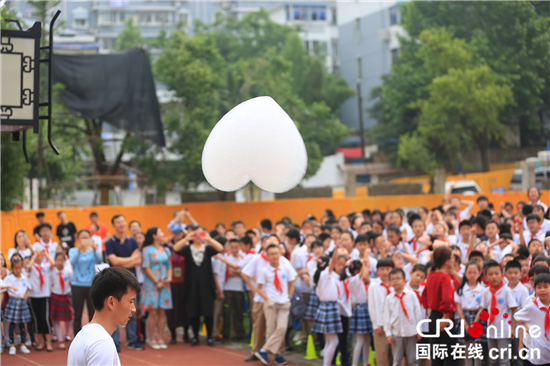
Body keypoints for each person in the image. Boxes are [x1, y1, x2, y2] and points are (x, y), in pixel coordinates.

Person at [67, 267, 140, 366]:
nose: (133, 309)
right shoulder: (102, 343)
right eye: (130, 301)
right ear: (111, 302)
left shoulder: (83, 335)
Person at [173, 227, 224, 347]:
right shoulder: (187, 249)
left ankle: (209, 337)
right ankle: (195, 337)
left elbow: (220, 248)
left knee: (208, 313)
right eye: (196, 234)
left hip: (207, 286)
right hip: (191, 287)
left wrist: (209, 238)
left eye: (200, 233)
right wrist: (186, 237)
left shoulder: (207, 249)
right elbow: (175, 248)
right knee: (193, 313)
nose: (198, 236)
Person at [104, 214, 143, 352]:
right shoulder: (109, 242)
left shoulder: (132, 241)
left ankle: (132, 340)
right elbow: (113, 262)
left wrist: (123, 261)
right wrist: (130, 259)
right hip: (116, 281)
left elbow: (138, 260)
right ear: (113, 225)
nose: (121, 224)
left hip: (131, 281)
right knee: (114, 311)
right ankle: (114, 343)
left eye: (122, 221)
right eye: (118, 222)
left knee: (131, 310)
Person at [254, 244, 297, 365]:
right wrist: (267, 299)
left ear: (280, 254)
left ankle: (264, 350)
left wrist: (289, 297)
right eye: (271, 254)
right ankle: (277, 355)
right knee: (271, 330)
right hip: (270, 303)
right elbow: (258, 288)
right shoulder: (264, 271)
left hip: (284, 302)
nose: (274, 256)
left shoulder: (286, 268)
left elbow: (292, 283)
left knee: (282, 328)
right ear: (267, 256)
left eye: (276, 253)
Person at [474, 261, 517, 366]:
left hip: (503, 331)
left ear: (502, 275)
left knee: (503, 360)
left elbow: (514, 309)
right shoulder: (486, 292)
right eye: (490, 274)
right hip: (491, 330)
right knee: (493, 360)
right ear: (485, 276)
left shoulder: (506, 290)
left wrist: (513, 328)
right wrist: (475, 323)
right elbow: (482, 309)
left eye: (496, 274)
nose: (494, 277)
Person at [421, 246, 457, 366]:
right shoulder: (444, 277)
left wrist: (431, 308)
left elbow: (424, 295)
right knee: (451, 354)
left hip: (434, 316)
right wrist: (446, 315)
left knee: (437, 354)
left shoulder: (431, 275)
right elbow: (447, 299)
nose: (454, 260)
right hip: (444, 317)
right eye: (452, 257)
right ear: (447, 262)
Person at [312, 249, 345, 366]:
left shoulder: (320, 275)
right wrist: (336, 247)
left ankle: (326, 363)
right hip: (329, 307)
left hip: (326, 307)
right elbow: (333, 262)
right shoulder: (325, 274)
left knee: (330, 341)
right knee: (334, 341)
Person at [141, 227, 172, 350]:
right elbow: (146, 267)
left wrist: (169, 278)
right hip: (151, 284)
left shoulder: (165, 249)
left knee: (162, 311)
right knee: (152, 311)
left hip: (165, 283)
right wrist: (156, 281)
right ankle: (151, 339)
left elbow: (169, 265)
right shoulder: (146, 250)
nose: (162, 234)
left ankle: (160, 337)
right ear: (154, 235)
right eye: (160, 232)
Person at [384, 268, 422, 366]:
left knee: (412, 360)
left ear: (404, 280)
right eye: (392, 279)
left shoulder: (411, 295)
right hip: (396, 333)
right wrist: (388, 333)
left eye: (398, 278)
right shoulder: (389, 298)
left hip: (411, 332)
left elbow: (417, 313)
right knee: (396, 360)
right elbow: (387, 317)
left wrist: (419, 330)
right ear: (390, 282)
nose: (395, 281)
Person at [69, 229, 102, 336]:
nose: (85, 239)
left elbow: (99, 261)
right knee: (77, 313)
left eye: (87, 237)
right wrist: (79, 251)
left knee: (92, 313)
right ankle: (77, 337)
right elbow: (72, 263)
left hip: (90, 285)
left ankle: (92, 336)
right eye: (82, 237)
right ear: (78, 239)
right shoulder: (73, 250)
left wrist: (94, 250)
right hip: (77, 285)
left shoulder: (92, 251)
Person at [513, 273, 550, 366]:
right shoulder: (532, 306)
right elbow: (517, 316)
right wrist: (528, 330)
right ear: (535, 289)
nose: (542, 290)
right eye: (539, 287)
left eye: (546, 287)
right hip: (538, 349)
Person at [454, 261, 486, 366]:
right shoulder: (460, 289)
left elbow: (482, 308)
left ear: (479, 273)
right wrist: (465, 324)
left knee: (476, 349)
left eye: (475, 272)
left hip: (477, 318)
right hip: (465, 318)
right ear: (465, 273)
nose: (472, 275)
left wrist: (474, 324)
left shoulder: (482, 290)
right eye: (469, 272)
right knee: (467, 350)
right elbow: (459, 308)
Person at [164, 228, 190, 344]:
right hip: (172, 282)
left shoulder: (188, 248)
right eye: (175, 234)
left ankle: (186, 333)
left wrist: (186, 235)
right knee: (172, 310)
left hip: (185, 281)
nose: (178, 236)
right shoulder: (167, 249)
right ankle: (173, 334)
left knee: (186, 308)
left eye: (180, 234)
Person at [2, 255, 32, 356]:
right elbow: (2, 287)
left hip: (22, 302)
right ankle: (12, 345)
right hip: (13, 301)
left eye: (20, 268)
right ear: (12, 269)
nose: (18, 270)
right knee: (12, 325)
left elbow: (29, 287)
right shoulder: (9, 278)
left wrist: (26, 295)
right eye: (16, 268)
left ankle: (23, 345)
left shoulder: (24, 278)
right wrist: (9, 286)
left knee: (22, 324)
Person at [368, 258, 395, 366]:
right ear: (377, 271)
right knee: (382, 353)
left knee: (394, 353)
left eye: (388, 269)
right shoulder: (374, 286)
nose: (385, 272)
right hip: (381, 324)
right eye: (382, 269)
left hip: (394, 324)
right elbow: (372, 306)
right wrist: (376, 325)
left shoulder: (396, 284)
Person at [28, 249, 54, 352]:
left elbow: (53, 264)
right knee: (37, 319)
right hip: (34, 295)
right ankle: (40, 343)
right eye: (36, 255)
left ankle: (48, 343)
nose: (39, 256)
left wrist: (46, 254)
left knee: (44, 318)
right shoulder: (32, 267)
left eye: (40, 255)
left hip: (44, 295)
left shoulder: (45, 266)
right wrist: (34, 255)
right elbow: (29, 266)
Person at [348, 257, 372, 366]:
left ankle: (365, 362)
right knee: (360, 339)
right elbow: (365, 272)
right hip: (361, 308)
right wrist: (365, 259)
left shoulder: (357, 280)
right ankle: (355, 364)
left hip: (364, 307)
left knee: (367, 339)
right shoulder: (354, 280)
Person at [49, 252, 73, 350]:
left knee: (70, 318)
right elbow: (50, 284)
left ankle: (72, 335)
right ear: (55, 261)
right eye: (58, 260)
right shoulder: (52, 272)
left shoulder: (68, 272)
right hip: (56, 296)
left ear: (64, 261)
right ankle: (60, 340)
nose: (59, 262)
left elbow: (71, 282)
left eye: (61, 260)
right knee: (56, 319)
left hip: (66, 296)